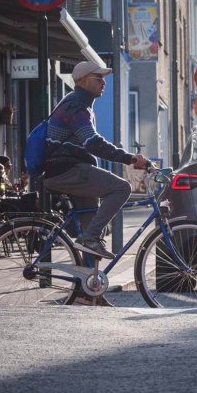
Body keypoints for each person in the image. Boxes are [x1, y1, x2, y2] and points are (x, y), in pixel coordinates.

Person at [42, 60, 149, 259]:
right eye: (98, 78)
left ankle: (89, 277)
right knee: (122, 188)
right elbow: (92, 143)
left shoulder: (79, 104)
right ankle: (89, 238)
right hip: (67, 170)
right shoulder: (76, 106)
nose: (103, 82)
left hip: (72, 170)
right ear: (83, 80)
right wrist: (129, 158)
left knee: (92, 237)